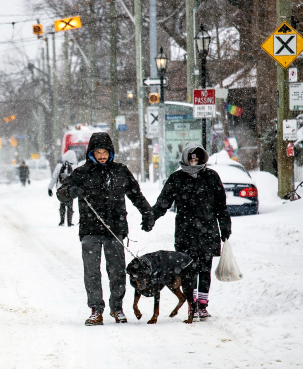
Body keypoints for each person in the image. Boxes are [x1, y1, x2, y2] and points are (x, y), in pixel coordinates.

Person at [57, 132, 154, 326]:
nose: (102, 156)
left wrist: (147, 213)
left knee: (117, 271)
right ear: (91, 153)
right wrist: (70, 191)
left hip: (115, 228)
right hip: (90, 230)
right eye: (98, 152)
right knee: (92, 271)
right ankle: (96, 309)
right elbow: (61, 193)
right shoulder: (81, 173)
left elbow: (135, 194)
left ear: (111, 152)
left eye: (105, 152)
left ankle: (116, 308)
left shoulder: (120, 171)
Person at [151, 142, 231, 320]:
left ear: (203, 157)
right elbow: (164, 202)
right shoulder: (177, 178)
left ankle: (202, 304)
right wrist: (151, 217)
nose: (194, 161)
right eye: (191, 158)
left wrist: (225, 225)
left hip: (208, 231)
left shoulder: (211, 177)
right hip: (185, 232)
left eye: (197, 157)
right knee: (187, 269)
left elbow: (221, 206)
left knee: (204, 268)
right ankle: (191, 304)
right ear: (185, 158)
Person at [48, 150, 79, 226]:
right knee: (70, 205)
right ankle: (69, 221)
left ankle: (62, 221)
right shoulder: (75, 167)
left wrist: (50, 188)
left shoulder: (59, 166)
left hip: (60, 189)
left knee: (62, 203)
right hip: (70, 190)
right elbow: (78, 179)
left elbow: (54, 178)